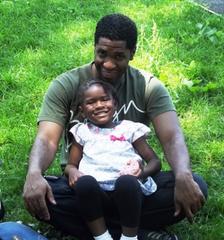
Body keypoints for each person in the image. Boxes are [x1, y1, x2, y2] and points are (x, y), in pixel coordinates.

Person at [23, 13, 207, 240]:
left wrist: (183, 175)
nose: (108, 64)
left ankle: (99, 231)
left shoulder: (148, 87)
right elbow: (47, 139)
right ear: (94, 48)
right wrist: (34, 174)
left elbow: (171, 136)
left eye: (119, 56)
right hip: (84, 187)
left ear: (133, 53)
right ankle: (139, 233)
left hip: (132, 187)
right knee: (46, 197)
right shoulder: (66, 84)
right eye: (102, 54)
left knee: (195, 185)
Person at [65, 80, 161, 240]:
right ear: (82, 111)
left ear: (115, 104)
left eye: (104, 99)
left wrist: (140, 173)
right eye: (90, 102)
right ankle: (102, 236)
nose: (99, 105)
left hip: (128, 193)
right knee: (84, 184)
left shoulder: (129, 128)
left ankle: (129, 237)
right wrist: (73, 172)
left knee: (127, 182)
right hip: (96, 196)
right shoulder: (82, 131)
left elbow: (155, 162)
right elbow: (70, 165)